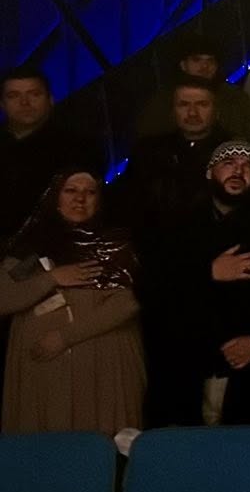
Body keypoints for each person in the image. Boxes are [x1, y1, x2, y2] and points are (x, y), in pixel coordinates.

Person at [146, 142, 250, 429]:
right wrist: (208, 272)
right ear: (210, 172)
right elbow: (152, 289)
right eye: (229, 163)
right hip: (188, 371)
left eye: (248, 166)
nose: (238, 171)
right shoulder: (176, 226)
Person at [1, 170, 144, 435]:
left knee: (99, 442)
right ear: (55, 198)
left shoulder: (114, 247)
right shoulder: (29, 248)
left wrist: (65, 337)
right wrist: (53, 278)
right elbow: (4, 298)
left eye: (90, 192)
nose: (80, 198)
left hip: (101, 372)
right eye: (71, 190)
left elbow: (127, 303)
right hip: (43, 376)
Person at [113, 76, 227, 235]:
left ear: (216, 111)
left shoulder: (234, 154)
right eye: (184, 104)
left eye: (202, 104)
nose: (192, 113)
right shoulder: (148, 152)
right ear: (173, 111)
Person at [1, 67, 102, 241]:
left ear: (50, 99)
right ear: (2, 104)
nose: (24, 103)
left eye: (34, 94)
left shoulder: (79, 148)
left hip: (58, 246)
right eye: (14, 96)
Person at [134, 35, 250, 144]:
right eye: (197, 60)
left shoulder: (235, 98)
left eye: (210, 61)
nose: (205, 66)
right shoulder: (163, 100)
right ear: (183, 65)